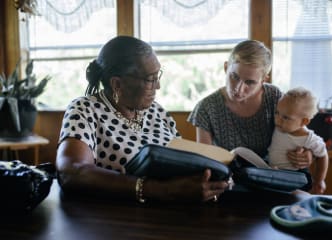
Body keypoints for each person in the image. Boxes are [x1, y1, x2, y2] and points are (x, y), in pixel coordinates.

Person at [56, 36, 229, 203]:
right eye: (150, 79)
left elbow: (182, 163)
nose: (158, 86)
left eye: (158, 76)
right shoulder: (85, 109)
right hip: (117, 222)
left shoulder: (157, 112)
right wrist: (161, 190)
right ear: (117, 84)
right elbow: (72, 172)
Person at [188, 39, 313, 170]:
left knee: (301, 191)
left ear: (264, 79)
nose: (238, 88)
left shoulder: (274, 97)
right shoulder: (206, 108)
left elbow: (301, 134)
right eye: (234, 76)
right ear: (226, 67)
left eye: (250, 82)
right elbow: (204, 161)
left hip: (275, 174)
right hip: (230, 180)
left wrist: (307, 154)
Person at [268, 87, 328, 194]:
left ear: (304, 121)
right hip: (275, 173)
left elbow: (323, 155)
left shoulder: (309, 138)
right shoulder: (280, 126)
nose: (278, 119)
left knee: (297, 199)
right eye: (277, 113)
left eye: (286, 117)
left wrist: (319, 181)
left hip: (296, 177)